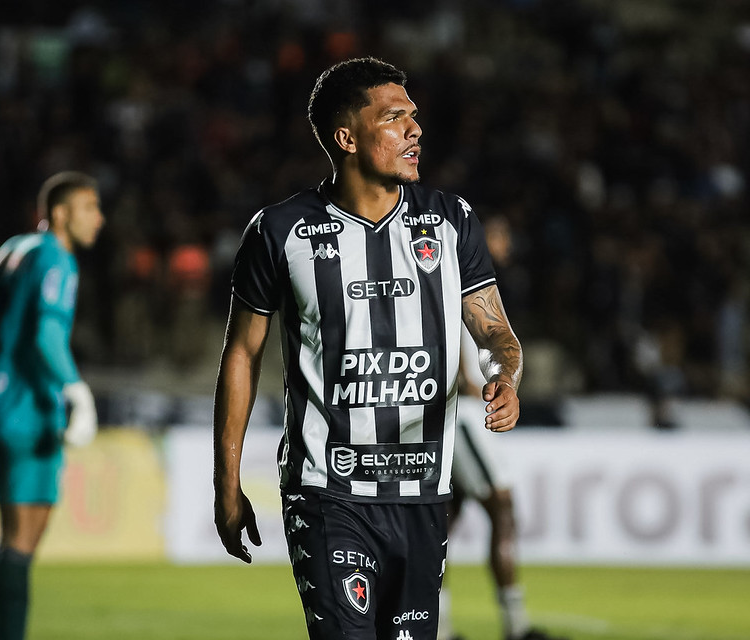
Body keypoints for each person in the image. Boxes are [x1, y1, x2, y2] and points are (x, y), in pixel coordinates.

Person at [212, 56, 522, 640]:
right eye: (395, 117)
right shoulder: (280, 232)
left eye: (414, 117)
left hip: (423, 493)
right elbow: (241, 356)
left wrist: (504, 371)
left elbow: (495, 331)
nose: (415, 130)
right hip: (327, 490)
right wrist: (226, 486)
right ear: (346, 137)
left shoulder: (451, 222)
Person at [0, 170, 105, 640]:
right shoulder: (56, 260)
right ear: (59, 214)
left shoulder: (10, 251)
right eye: (89, 208)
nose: (99, 219)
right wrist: (77, 392)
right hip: (28, 410)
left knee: (12, 538)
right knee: (21, 541)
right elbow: (45, 335)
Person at [438, 328, 567, 640]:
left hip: (448, 417)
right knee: (502, 509)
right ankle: (516, 627)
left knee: (440, 524)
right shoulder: (454, 284)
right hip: (462, 415)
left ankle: (437, 629)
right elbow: (451, 347)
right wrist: (472, 382)